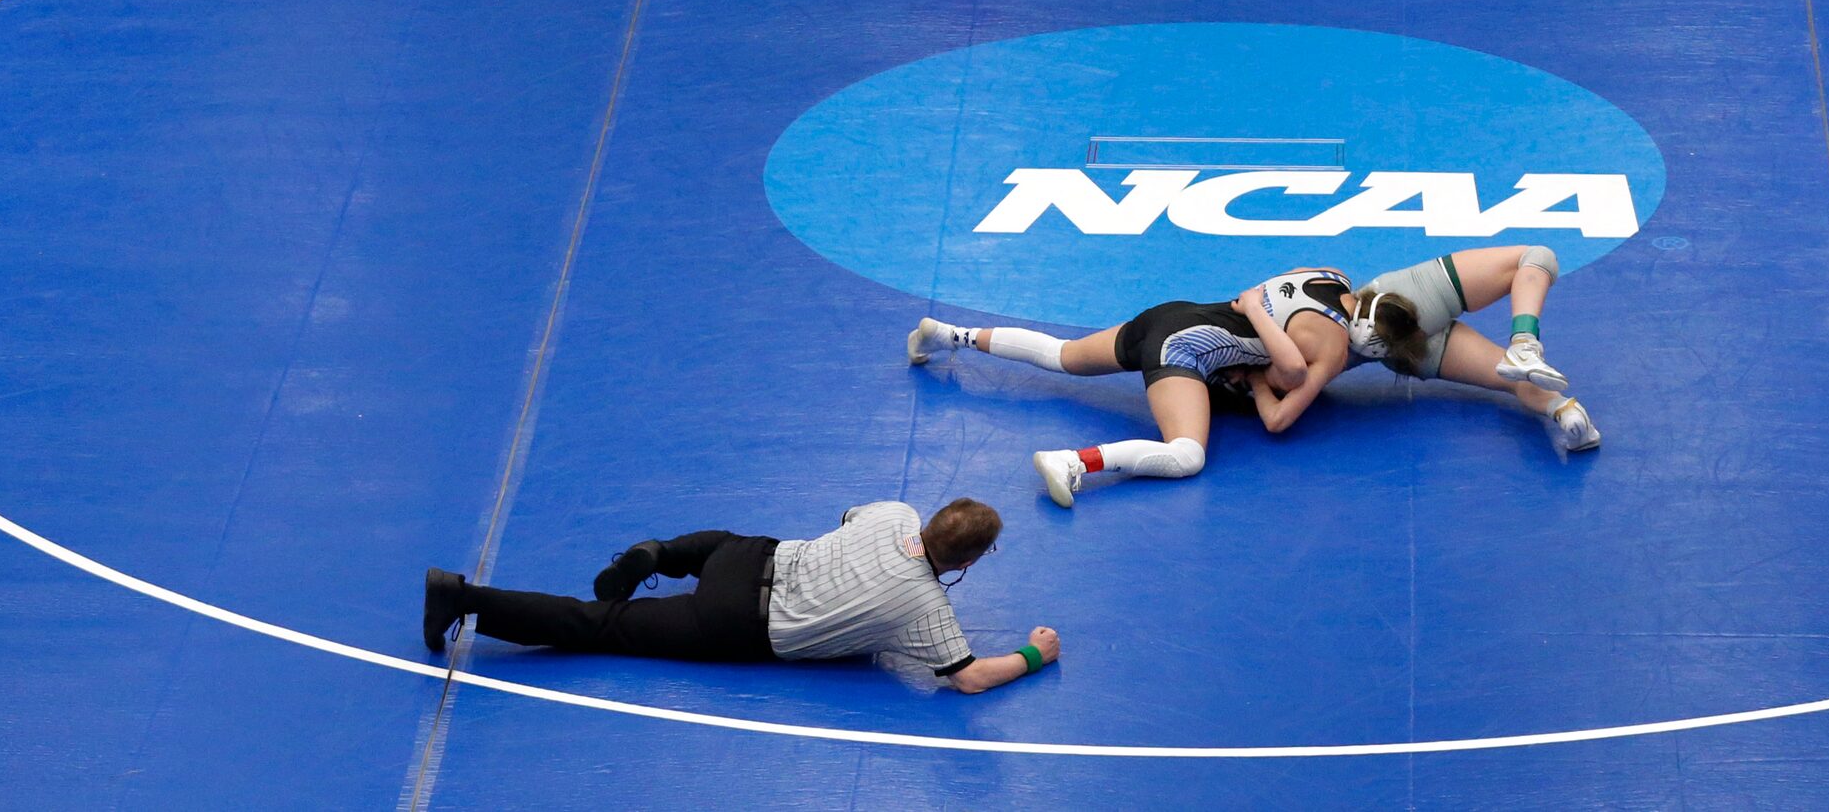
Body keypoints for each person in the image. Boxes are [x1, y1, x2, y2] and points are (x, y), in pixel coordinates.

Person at [422, 497, 1056, 696]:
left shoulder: (893, 514)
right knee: (601, 624)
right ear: (969, 559)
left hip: (752, 559)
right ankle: (464, 597)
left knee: (723, 541)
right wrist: (1033, 655)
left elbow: (847, 518)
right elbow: (968, 679)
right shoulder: (926, 610)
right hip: (736, 622)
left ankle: (666, 554)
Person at [906, 279, 1320, 504]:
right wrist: (1261, 381)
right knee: (1187, 456)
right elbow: (1288, 388)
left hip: (1170, 313)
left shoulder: (1327, 279)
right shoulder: (1332, 347)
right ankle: (1072, 462)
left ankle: (948, 334)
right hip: (1179, 344)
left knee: (1060, 353)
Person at [1326, 247, 1601, 449]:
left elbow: (1293, 376)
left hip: (1402, 354)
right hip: (1398, 299)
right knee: (1537, 258)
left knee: (1514, 381)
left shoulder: (1300, 340)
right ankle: (1524, 343)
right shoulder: (1293, 299)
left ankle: (1565, 412)